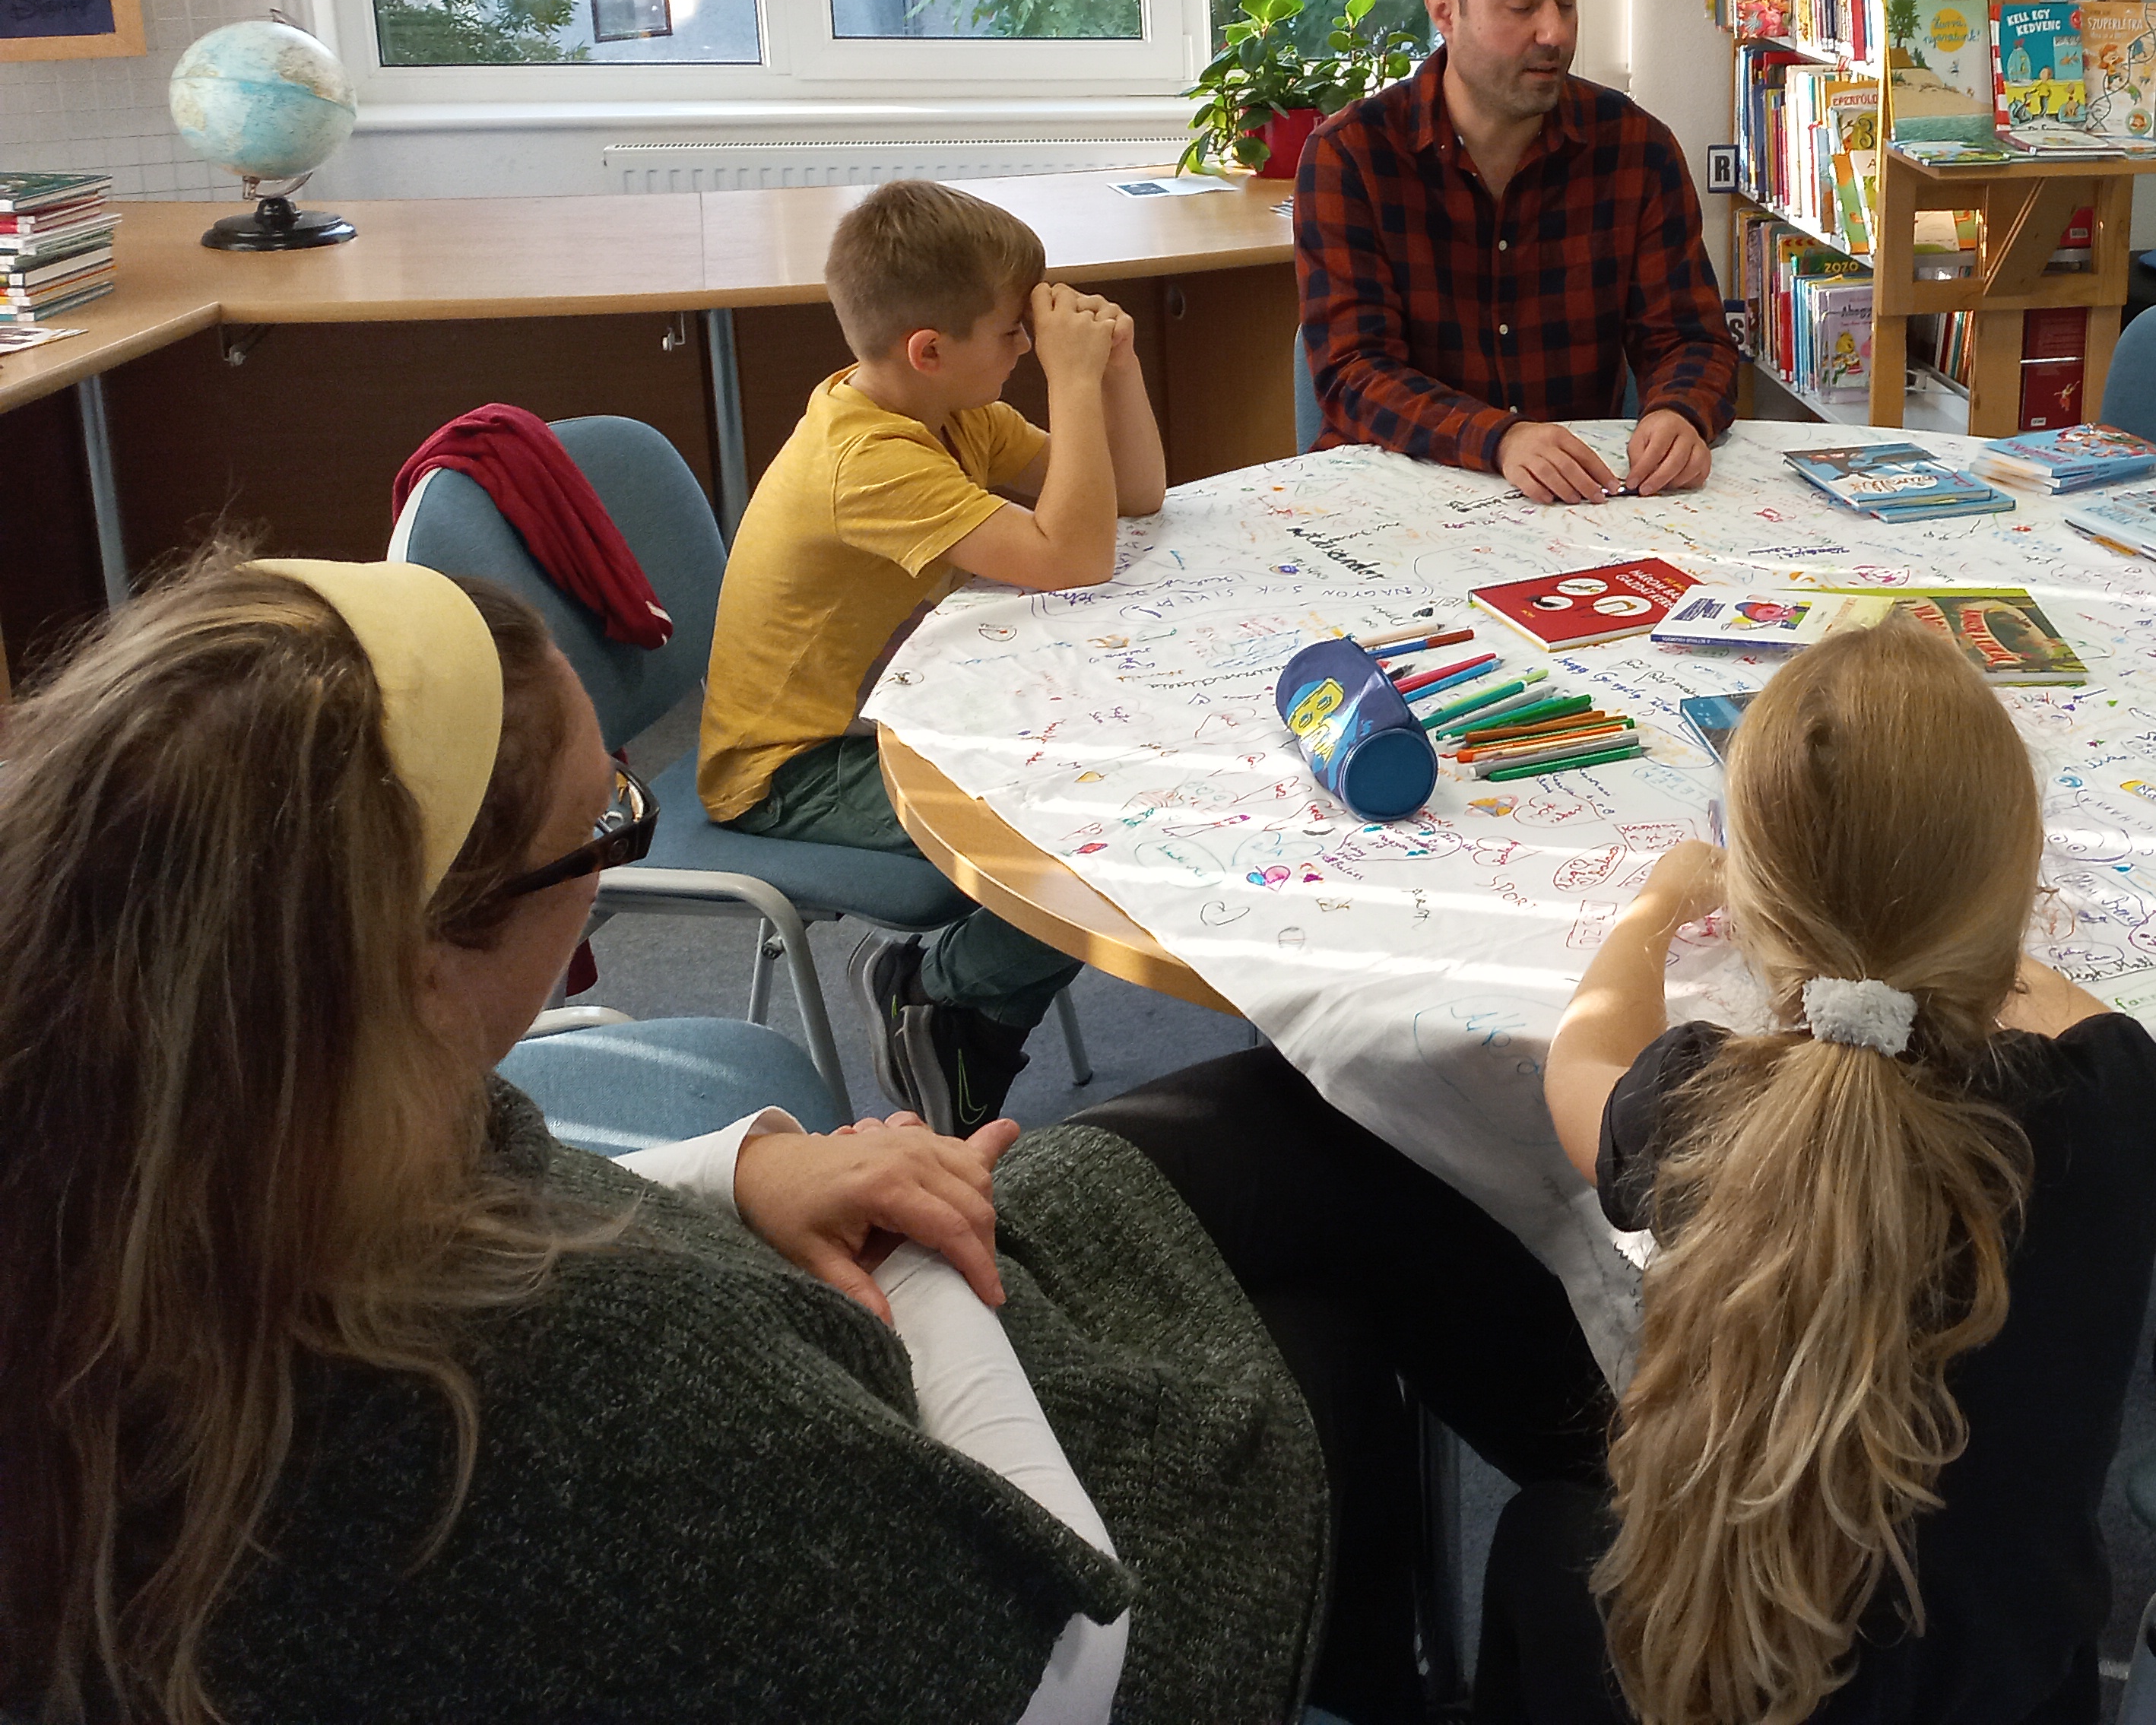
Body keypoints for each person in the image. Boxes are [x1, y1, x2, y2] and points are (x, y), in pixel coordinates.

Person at [0, 552, 1610, 1725]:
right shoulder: (568, 1400)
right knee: (1321, 1314)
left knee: (1314, 1143)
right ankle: (1644, 1550)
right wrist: (920, 1275)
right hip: (985, 1529)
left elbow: (539, 1186)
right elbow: (1058, 1650)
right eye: (603, 823)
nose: (615, 861)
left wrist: (742, 1165)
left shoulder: (180, 1130)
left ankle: (1613, 1526)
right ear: (417, 964)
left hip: (810, 1355)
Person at [1477, 623, 2156, 1725]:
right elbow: (2113, 1049)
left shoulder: (1706, 1104)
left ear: (1757, 906)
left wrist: (1658, 908)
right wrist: (1969, 933)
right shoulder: (2118, 1104)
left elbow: (1579, 1062)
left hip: (1726, 1682)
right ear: (2020, 882)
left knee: (1542, 1533)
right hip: (2016, 1687)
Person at [698, 178, 1164, 1134]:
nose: (1028, 345)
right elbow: (1074, 556)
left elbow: (1134, 496)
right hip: (789, 770)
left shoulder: (949, 411)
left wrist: (1113, 369)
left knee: (1113, 794)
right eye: (1013, 332)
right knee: (1100, 838)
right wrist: (1070, 382)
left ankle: (955, 1006)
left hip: (886, 718)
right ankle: (940, 989)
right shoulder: (868, 460)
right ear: (930, 350)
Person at [1294, 0, 1736, 507]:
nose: (1554, 32)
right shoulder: (1352, 155)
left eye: (1566, 2)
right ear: (1444, 11)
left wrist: (1680, 412)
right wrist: (1499, 438)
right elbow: (1354, 372)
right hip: (1394, 504)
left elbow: (1690, 339)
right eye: (1522, 6)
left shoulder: (1636, 148)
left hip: (1574, 506)